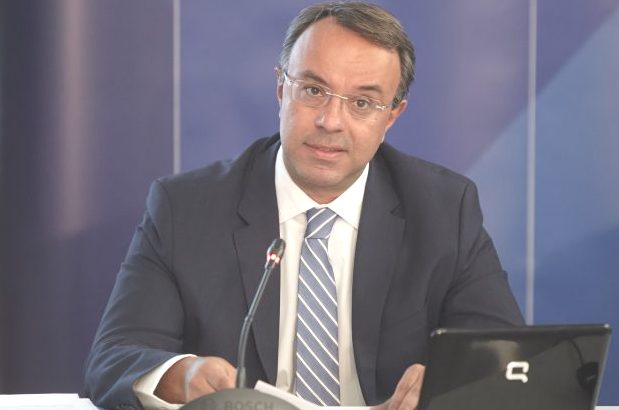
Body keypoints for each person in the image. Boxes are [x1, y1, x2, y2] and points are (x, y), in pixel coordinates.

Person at [84, 2, 524, 409]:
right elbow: (113, 359)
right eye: (313, 90)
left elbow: (509, 361)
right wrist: (182, 376)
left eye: (362, 103)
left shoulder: (444, 208)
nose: (330, 121)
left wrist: (452, 382)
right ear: (281, 89)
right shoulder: (186, 208)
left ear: (391, 116)